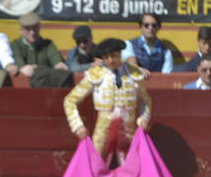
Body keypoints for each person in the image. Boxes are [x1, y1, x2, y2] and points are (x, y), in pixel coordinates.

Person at [63, 38, 151, 168]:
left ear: (120, 54)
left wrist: (144, 118)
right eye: (106, 57)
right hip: (103, 130)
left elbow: (146, 101)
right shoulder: (96, 74)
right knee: (96, 167)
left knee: (132, 168)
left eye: (114, 56)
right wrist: (77, 125)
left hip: (129, 129)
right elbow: (70, 100)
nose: (110, 60)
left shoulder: (134, 73)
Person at [10, 11, 72, 88]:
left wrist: (58, 63)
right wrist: (22, 67)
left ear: (39, 27)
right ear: (21, 30)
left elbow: (56, 59)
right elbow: (18, 59)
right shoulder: (15, 44)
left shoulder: (47, 44)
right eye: (28, 29)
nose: (32, 32)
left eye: (35, 28)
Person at [122, 13, 173, 78]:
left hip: (156, 86)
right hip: (133, 85)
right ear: (141, 27)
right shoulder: (128, 44)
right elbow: (131, 63)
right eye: (146, 25)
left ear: (159, 27)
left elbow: (165, 76)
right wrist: (140, 70)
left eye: (154, 25)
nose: (150, 28)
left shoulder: (166, 52)